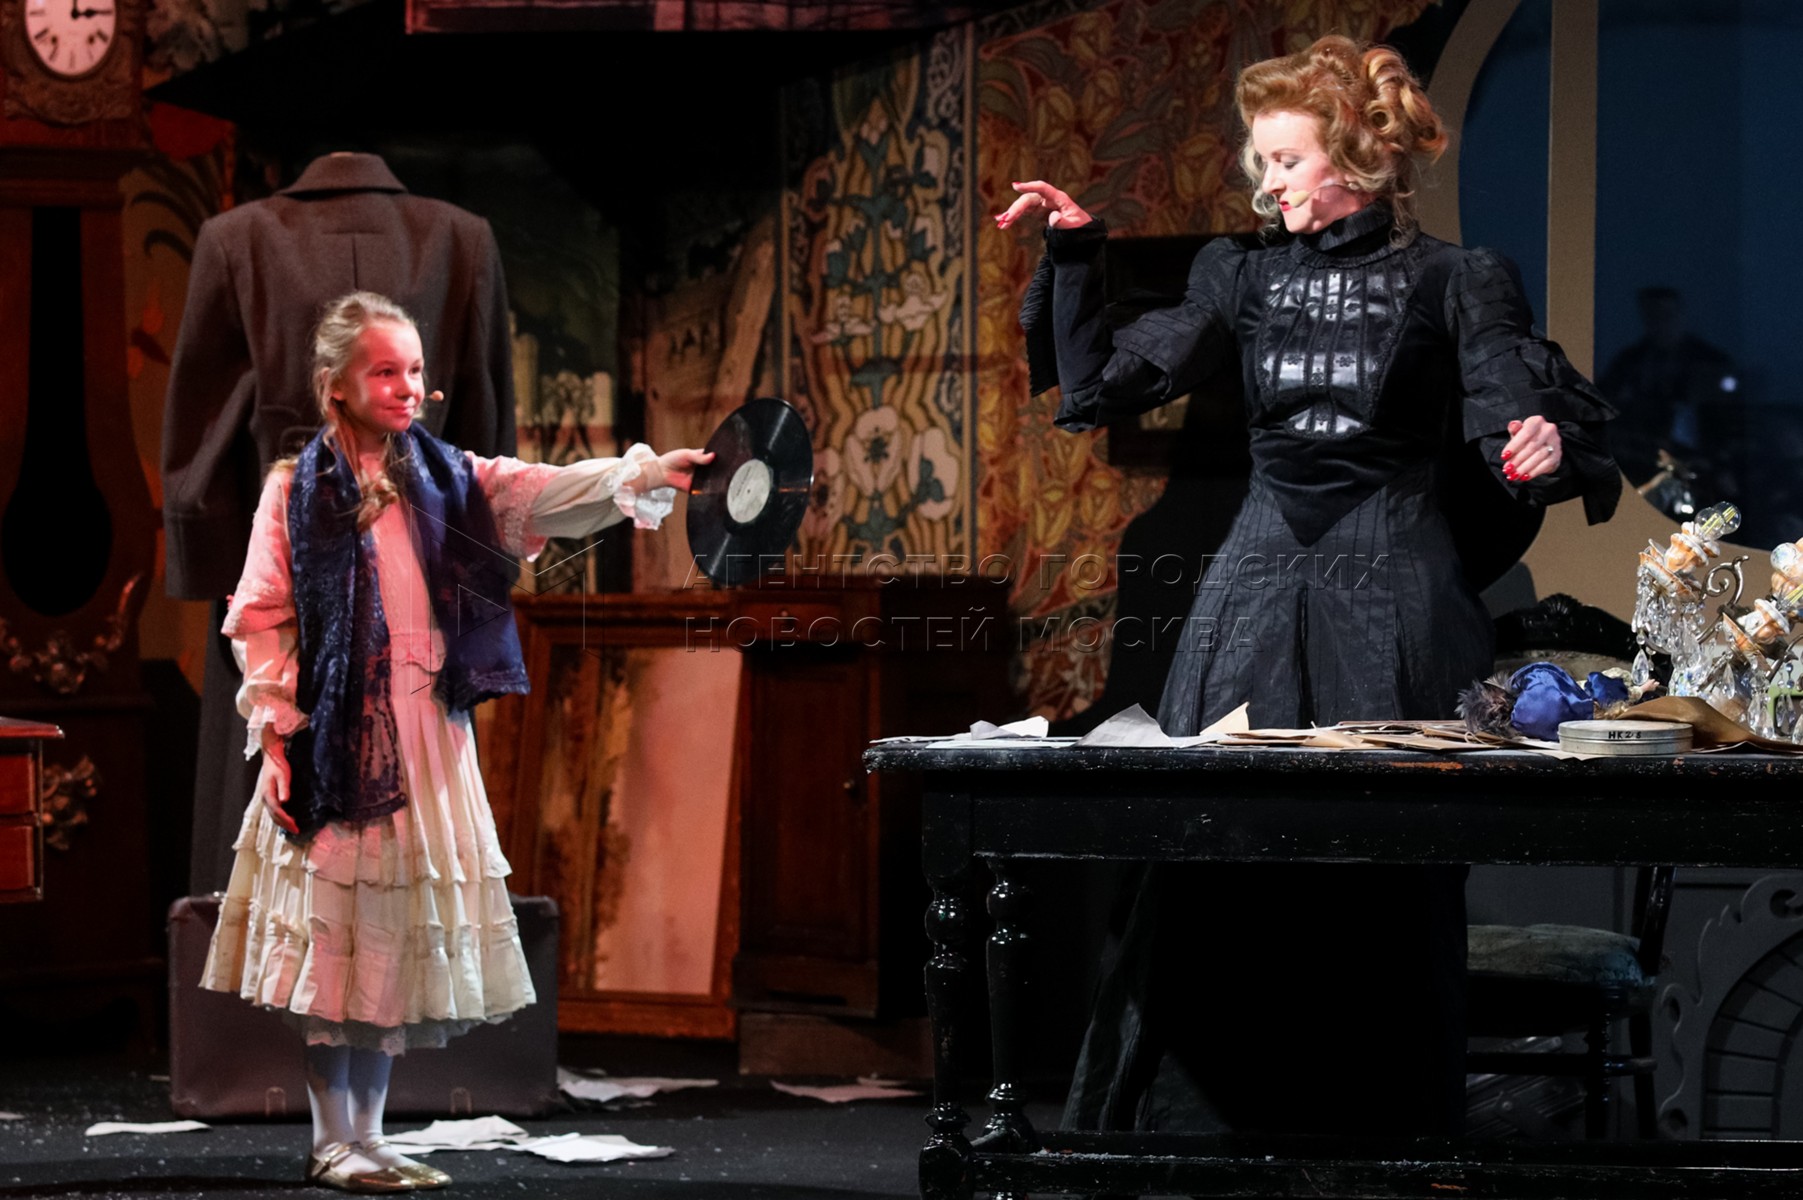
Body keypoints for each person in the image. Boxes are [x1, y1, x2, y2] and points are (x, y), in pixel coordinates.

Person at [997, 36, 1620, 1137]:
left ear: (1357, 160)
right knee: (1216, 857)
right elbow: (1106, 385)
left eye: (1285, 160)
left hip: (1394, 591)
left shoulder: (1456, 277)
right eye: (1263, 160)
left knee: (1382, 872)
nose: (1267, 181)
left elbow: (1506, 407)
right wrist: (1079, 254)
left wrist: (1538, 445)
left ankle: (1381, 1140)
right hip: (1255, 581)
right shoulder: (1238, 273)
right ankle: (1203, 1139)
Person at [199, 291, 712, 1191]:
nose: (408, 387)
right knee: (338, 940)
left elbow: (538, 489)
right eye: (385, 371)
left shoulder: (443, 476)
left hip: (428, 731)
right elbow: (263, 615)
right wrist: (276, 733)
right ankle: (330, 1140)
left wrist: (642, 473)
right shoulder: (295, 489)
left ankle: (370, 1136)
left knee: (392, 935)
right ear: (336, 385)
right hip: (339, 734)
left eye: (415, 370)